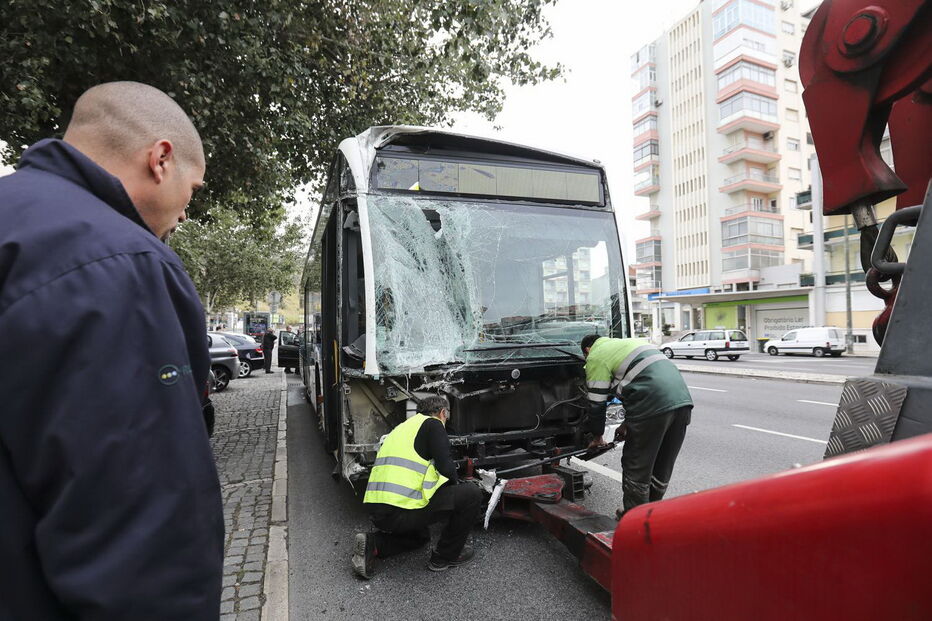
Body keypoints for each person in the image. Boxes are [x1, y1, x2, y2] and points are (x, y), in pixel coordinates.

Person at [0, 82, 223, 619]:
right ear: (161, 159)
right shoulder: (124, 266)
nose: (186, 214)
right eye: (192, 190)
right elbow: (142, 536)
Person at [352, 395, 483, 578]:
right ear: (442, 413)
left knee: (420, 537)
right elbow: (446, 467)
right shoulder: (433, 424)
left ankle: (374, 544)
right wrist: (458, 491)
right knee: (471, 494)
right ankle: (446, 556)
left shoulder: (401, 428)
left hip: (380, 512)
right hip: (401, 510)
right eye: (447, 416)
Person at [580, 334, 693, 515]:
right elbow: (640, 382)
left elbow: (597, 404)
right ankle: (651, 514)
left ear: (587, 350)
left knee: (636, 465)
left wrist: (597, 436)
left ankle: (635, 521)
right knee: (662, 464)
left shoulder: (596, 355)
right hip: (682, 402)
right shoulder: (629, 344)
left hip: (651, 405)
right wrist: (626, 424)